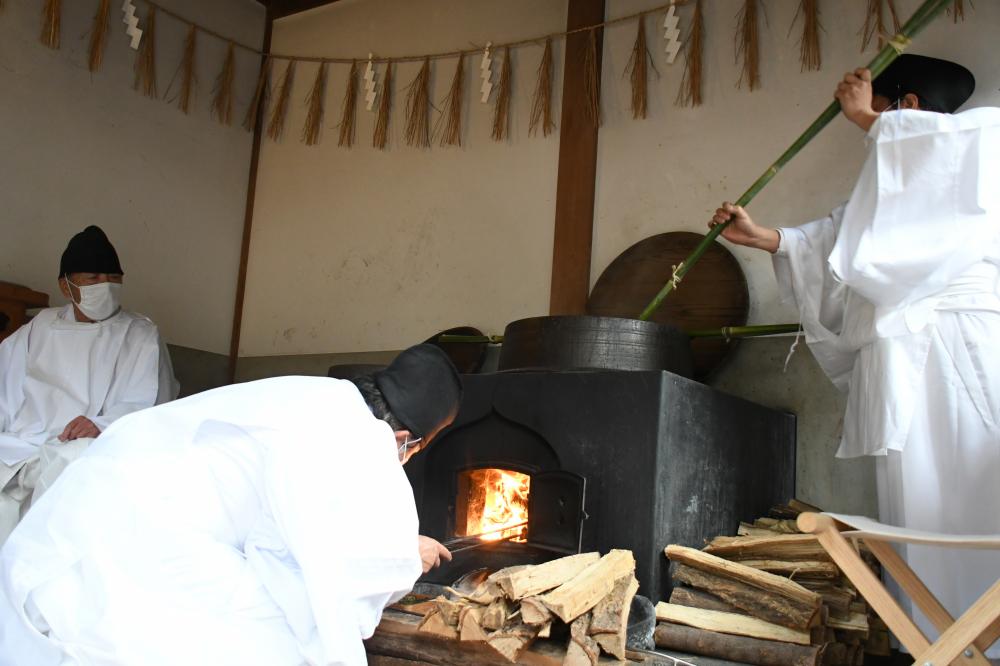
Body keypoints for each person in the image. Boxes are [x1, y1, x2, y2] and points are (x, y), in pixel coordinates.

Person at [710, 54, 1000, 656]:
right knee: (912, 502)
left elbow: (941, 158)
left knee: (970, 496)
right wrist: (765, 237)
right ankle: (930, 642)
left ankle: (984, 641)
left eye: (890, 110)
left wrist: (870, 120)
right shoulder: (886, 179)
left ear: (910, 108)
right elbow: (836, 240)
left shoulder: (980, 137)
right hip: (900, 358)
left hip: (956, 346)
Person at [0, 343, 462, 666]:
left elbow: (293, 519)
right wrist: (406, 555)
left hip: (93, 493)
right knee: (275, 642)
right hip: (148, 525)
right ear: (407, 438)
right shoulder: (365, 438)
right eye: (417, 449)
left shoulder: (324, 396)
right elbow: (342, 564)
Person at [0, 225, 177, 543]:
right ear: (66, 287)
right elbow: (5, 385)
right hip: (23, 440)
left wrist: (100, 423)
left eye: (113, 278)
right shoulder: (40, 326)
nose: (106, 286)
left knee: (76, 463)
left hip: (84, 442)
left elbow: (148, 402)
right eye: (94, 278)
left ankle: (40, 564)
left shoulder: (140, 334)